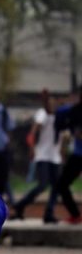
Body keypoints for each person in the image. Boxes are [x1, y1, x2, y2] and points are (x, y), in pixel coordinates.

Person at [11, 90, 63, 223]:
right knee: (43, 185)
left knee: (56, 187)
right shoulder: (42, 114)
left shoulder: (60, 116)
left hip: (55, 157)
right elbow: (33, 133)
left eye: (54, 102)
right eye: (49, 102)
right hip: (43, 155)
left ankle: (49, 213)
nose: (52, 105)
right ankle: (20, 205)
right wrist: (32, 148)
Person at [53, 90, 82, 224]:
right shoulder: (74, 111)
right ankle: (75, 215)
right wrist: (63, 149)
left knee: (62, 184)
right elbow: (65, 130)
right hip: (77, 156)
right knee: (62, 184)